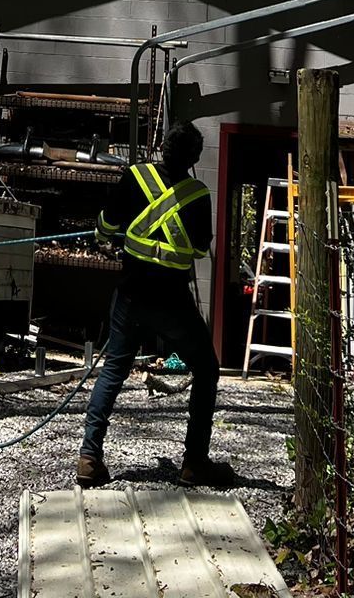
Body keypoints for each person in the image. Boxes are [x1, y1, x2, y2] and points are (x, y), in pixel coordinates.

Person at [77, 121, 230, 488]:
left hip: (131, 294)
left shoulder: (134, 177)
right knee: (206, 369)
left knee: (114, 368)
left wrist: (111, 231)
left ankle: (89, 457)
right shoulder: (198, 194)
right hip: (172, 300)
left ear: (163, 148)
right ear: (193, 158)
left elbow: (105, 227)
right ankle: (194, 463)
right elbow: (196, 250)